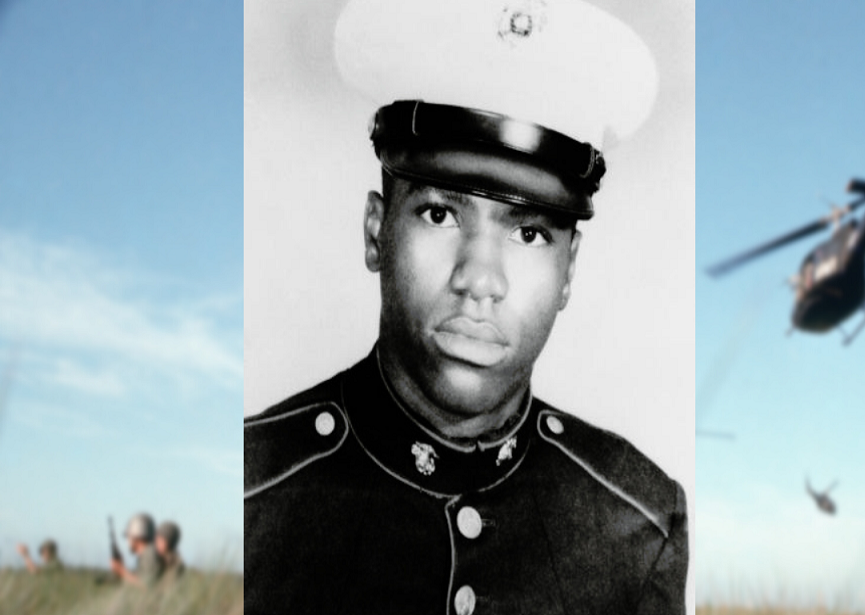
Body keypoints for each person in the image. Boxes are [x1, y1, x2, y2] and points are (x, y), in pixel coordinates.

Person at [245, 0, 690, 612]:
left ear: (570, 270)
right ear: (377, 232)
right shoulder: (250, 491)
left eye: (529, 233)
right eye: (439, 213)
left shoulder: (637, 526)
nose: (480, 279)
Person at [110, 512, 165, 588]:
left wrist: (121, 571)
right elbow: (140, 578)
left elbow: (146, 585)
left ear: (136, 536)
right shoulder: (147, 553)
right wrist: (121, 570)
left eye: (129, 536)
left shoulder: (149, 554)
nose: (128, 541)